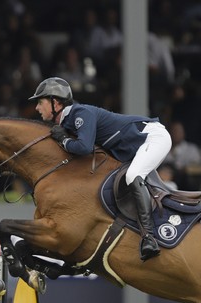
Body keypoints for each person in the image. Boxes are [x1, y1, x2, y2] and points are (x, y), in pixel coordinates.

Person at [28, 77, 172, 261]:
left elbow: (84, 148)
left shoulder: (80, 113)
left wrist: (63, 140)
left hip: (153, 136)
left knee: (134, 175)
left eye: (40, 102)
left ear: (55, 102)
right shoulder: (67, 122)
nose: (37, 108)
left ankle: (149, 237)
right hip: (136, 148)